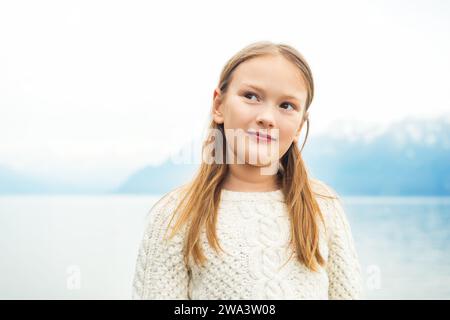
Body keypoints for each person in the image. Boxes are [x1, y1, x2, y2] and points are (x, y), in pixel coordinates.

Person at [132, 41, 363, 300]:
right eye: (251, 96)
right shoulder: (175, 215)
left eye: (286, 105)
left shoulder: (323, 206)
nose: (267, 117)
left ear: (299, 127)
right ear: (219, 106)